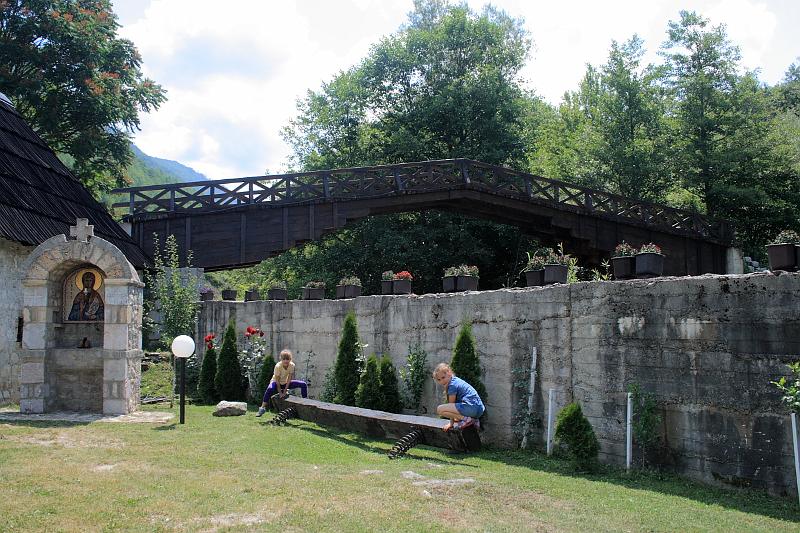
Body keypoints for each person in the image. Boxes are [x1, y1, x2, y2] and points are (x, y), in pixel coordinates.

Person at [432, 362, 485, 431]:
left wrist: (451, 424)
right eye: (439, 380)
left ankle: (466, 419)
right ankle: (473, 419)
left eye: (443, 377)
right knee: (456, 415)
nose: (442, 381)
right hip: (479, 410)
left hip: (471, 408)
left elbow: (451, 404)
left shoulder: (452, 385)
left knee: (439, 409)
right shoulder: (456, 380)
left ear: (449, 373)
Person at [256, 349, 308, 416]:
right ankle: (262, 408)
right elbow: (277, 381)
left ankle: (305, 402)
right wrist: (280, 393)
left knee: (303, 384)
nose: (286, 361)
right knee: (270, 389)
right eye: (284, 359)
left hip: (285, 383)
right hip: (275, 382)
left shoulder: (292, 365)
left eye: (287, 359)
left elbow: (289, 379)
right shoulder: (278, 366)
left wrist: (285, 391)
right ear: (281, 359)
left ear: (290, 359)